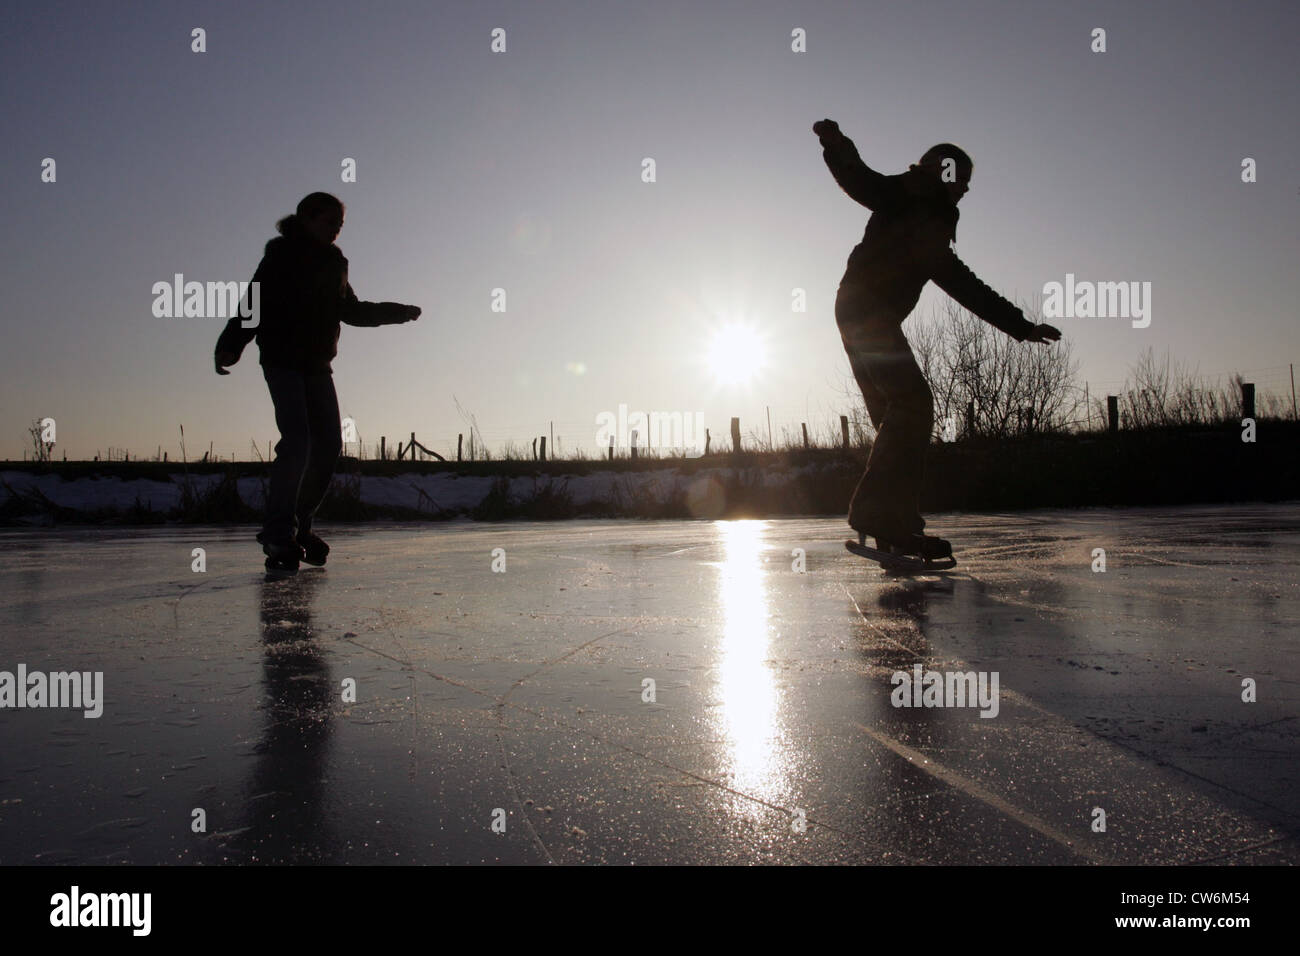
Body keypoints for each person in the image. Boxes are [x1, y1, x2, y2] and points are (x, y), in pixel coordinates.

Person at [813, 119, 1061, 560]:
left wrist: (1020, 326)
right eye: (962, 180)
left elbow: (961, 282)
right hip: (866, 314)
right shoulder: (912, 194)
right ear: (943, 173)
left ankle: (898, 526)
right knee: (912, 405)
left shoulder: (929, 220)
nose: (965, 190)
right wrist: (838, 147)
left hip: (857, 312)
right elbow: (863, 182)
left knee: (897, 419)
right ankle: (878, 514)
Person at [214, 192, 421, 573]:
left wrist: (398, 312)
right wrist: (230, 345)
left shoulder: (335, 262)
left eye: (339, 226)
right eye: (329, 223)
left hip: (318, 364)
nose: (334, 232)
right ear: (306, 219)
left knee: (327, 445)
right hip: (282, 359)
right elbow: (252, 303)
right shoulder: (281, 256)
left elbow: (350, 310)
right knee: (298, 442)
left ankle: (298, 526)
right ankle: (278, 533)